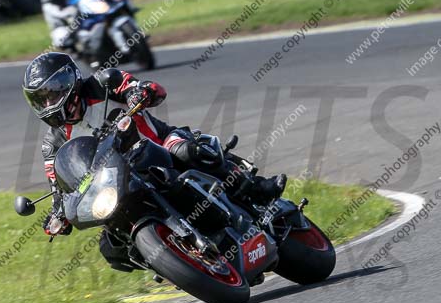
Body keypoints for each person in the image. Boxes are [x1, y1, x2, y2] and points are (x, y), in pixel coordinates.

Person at [21, 52, 287, 266]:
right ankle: (172, 261)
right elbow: (58, 184)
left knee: (189, 152)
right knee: (111, 246)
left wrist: (140, 92)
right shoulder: (53, 142)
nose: (47, 105)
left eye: (51, 95)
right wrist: (58, 215)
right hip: (116, 179)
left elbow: (142, 87)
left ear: (69, 83)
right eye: (40, 100)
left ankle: (257, 188)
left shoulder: (103, 83)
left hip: (157, 144)